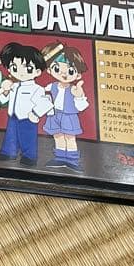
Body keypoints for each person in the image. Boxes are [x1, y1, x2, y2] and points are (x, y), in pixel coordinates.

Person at [0, 43, 54, 167]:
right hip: (13, 116)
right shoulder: (13, 85)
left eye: (27, 68)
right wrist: (3, 94)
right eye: (14, 67)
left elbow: (46, 103)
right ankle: (8, 152)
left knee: (28, 138)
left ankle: (29, 156)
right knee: (10, 136)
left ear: (37, 71)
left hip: (27, 118)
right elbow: (5, 98)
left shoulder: (37, 88)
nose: (20, 72)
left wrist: (35, 113)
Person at [41, 43, 90, 172]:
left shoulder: (74, 89)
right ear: (49, 70)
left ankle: (72, 160)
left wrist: (79, 96)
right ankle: (60, 158)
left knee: (70, 137)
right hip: (53, 115)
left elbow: (82, 107)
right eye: (57, 68)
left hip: (69, 116)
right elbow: (41, 97)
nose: (63, 74)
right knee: (57, 136)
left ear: (78, 75)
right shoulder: (51, 86)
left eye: (70, 71)